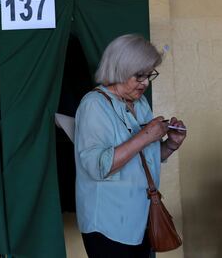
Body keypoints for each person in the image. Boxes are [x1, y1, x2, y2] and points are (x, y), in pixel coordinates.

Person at [74, 34, 187, 258]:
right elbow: (98, 168)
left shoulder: (139, 102)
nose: (145, 83)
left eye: (149, 75)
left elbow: (143, 157)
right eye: (140, 76)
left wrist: (170, 145)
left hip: (140, 220)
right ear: (119, 69)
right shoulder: (94, 105)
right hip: (109, 226)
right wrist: (146, 135)